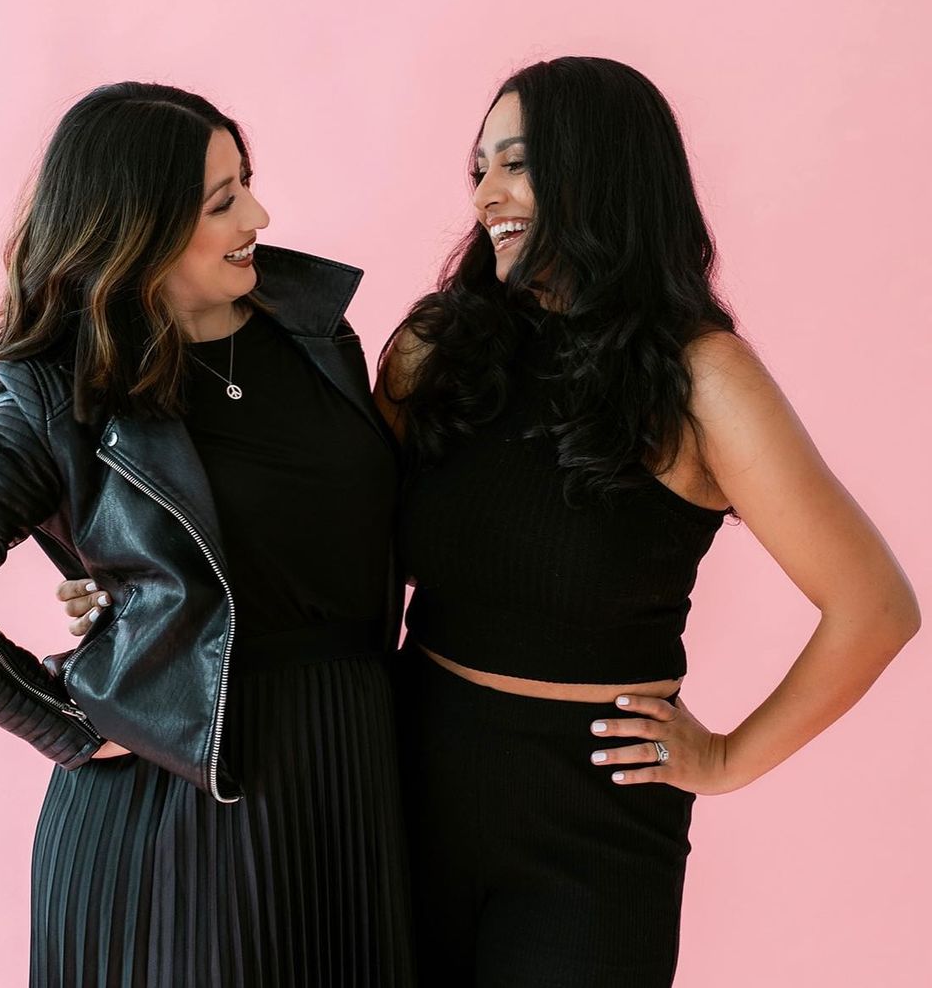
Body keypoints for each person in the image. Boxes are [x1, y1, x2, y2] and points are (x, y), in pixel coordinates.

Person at [373, 57, 920, 987]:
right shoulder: (439, 347)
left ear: (600, 169)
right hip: (407, 774)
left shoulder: (701, 378)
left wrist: (728, 759)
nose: (485, 195)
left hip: (592, 826)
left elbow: (875, 608)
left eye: (517, 163)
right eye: (479, 168)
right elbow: (338, 547)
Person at [0, 82, 415, 987]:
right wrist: (67, 722)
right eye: (221, 201)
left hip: (347, 764)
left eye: (247, 183)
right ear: (138, 228)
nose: (258, 217)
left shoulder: (316, 332)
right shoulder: (55, 390)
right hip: (182, 799)